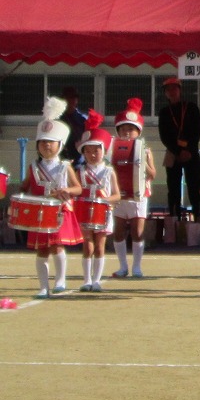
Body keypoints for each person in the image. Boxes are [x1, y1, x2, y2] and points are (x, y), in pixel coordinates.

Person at [21, 98, 83, 298]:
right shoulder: (33, 167)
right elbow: (23, 188)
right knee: (41, 250)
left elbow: (78, 188)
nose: (46, 145)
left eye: (50, 142)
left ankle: (60, 281)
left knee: (57, 246)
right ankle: (43, 286)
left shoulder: (65, 166)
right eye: (42, 142)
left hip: (59, 211)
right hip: (39, 214)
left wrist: (66, 190)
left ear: (60, 144)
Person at [111, 98, 157, 279]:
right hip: (119, 196)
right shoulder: (112, 149)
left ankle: (137, 267)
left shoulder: (145, 150)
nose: (127, 132)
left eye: (131, 129)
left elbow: (152, 174)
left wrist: (142, 161)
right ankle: (123, 266)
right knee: (119, 231)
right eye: (123, 129)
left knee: (137, 231)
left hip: (139, 195)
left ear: (138, 131)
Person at [75, 111, 120, 292]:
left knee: (100, 246)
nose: (92, 154)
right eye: (88, 151)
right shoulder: (80, 171)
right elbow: (76, 190)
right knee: (87, 244)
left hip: (103, 212)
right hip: (84, 210)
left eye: (96, 150)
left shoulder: (109, 171)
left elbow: (117, 195)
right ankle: (86, 280)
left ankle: (96, 280)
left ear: (104, 151)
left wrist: (105, 200)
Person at [158, 77, 200, 219]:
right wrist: (177, 151)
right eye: (168, 89)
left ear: (180, 90)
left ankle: (198, 217)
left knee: (194, 186)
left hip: (191, 152)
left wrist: (188, 150)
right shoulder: (164, 112)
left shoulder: (191, 107)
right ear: (165, 93)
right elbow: (164, 136)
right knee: (173, 188)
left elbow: (197, 131)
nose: (172, 92)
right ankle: (174, 218)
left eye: (174, 88)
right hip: (172, 153)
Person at [59, 86, 88, 164]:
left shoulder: (84, 119)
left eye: (73, 97)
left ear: (77, 100)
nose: (70, 100)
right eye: (67, 97)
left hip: (80, 160)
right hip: (62, 159)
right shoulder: (57, 119)